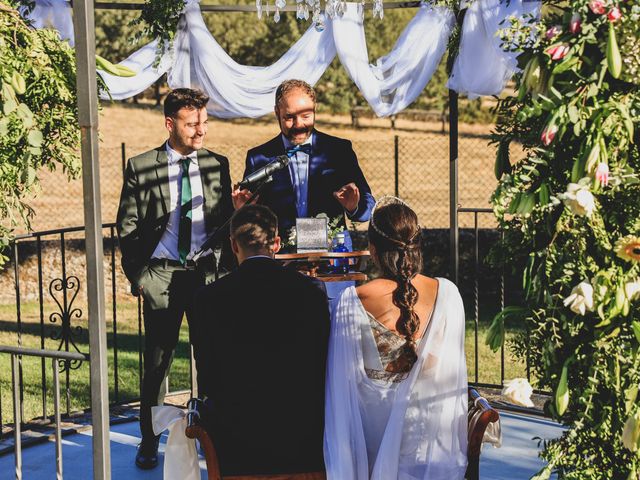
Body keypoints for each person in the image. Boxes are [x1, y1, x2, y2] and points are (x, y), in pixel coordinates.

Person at [116, 88, 233, 470]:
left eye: (203, 121)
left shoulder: (218, 164)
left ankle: (214, 438)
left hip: (206, 277)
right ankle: (149, 440)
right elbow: (128, 227)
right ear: (170, 124)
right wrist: (139, 277)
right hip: (162, 276)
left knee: (212, 359)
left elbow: (226, 223)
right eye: (191, 123)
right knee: (157, 363)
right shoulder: (141, 166)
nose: (200, 130)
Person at [324, 196, 468, 479]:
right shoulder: (448, 294)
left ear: (373, 251)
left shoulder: (353, 300)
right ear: (417, 247)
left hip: (370, 447)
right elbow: (451, 373)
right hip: (429, 446)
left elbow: (342, 389)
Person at [191, 204, 330, 477]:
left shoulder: (208, 299)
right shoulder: (310, 291)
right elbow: (321, 363)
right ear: (276, 244)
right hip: (301, 441)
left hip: (238, 445)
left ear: (233, 245)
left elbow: (207, 376)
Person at [233, 79, 375, 240]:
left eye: (306, 116)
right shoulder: (258, 157)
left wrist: (354, 207)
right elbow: (249, 219)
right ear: (277, 112)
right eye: (289, 117)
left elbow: (368, 209)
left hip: (332, 252)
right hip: (280, 255)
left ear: (315, 109)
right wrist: (243, 211)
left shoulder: (339, 150)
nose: (298, 124)